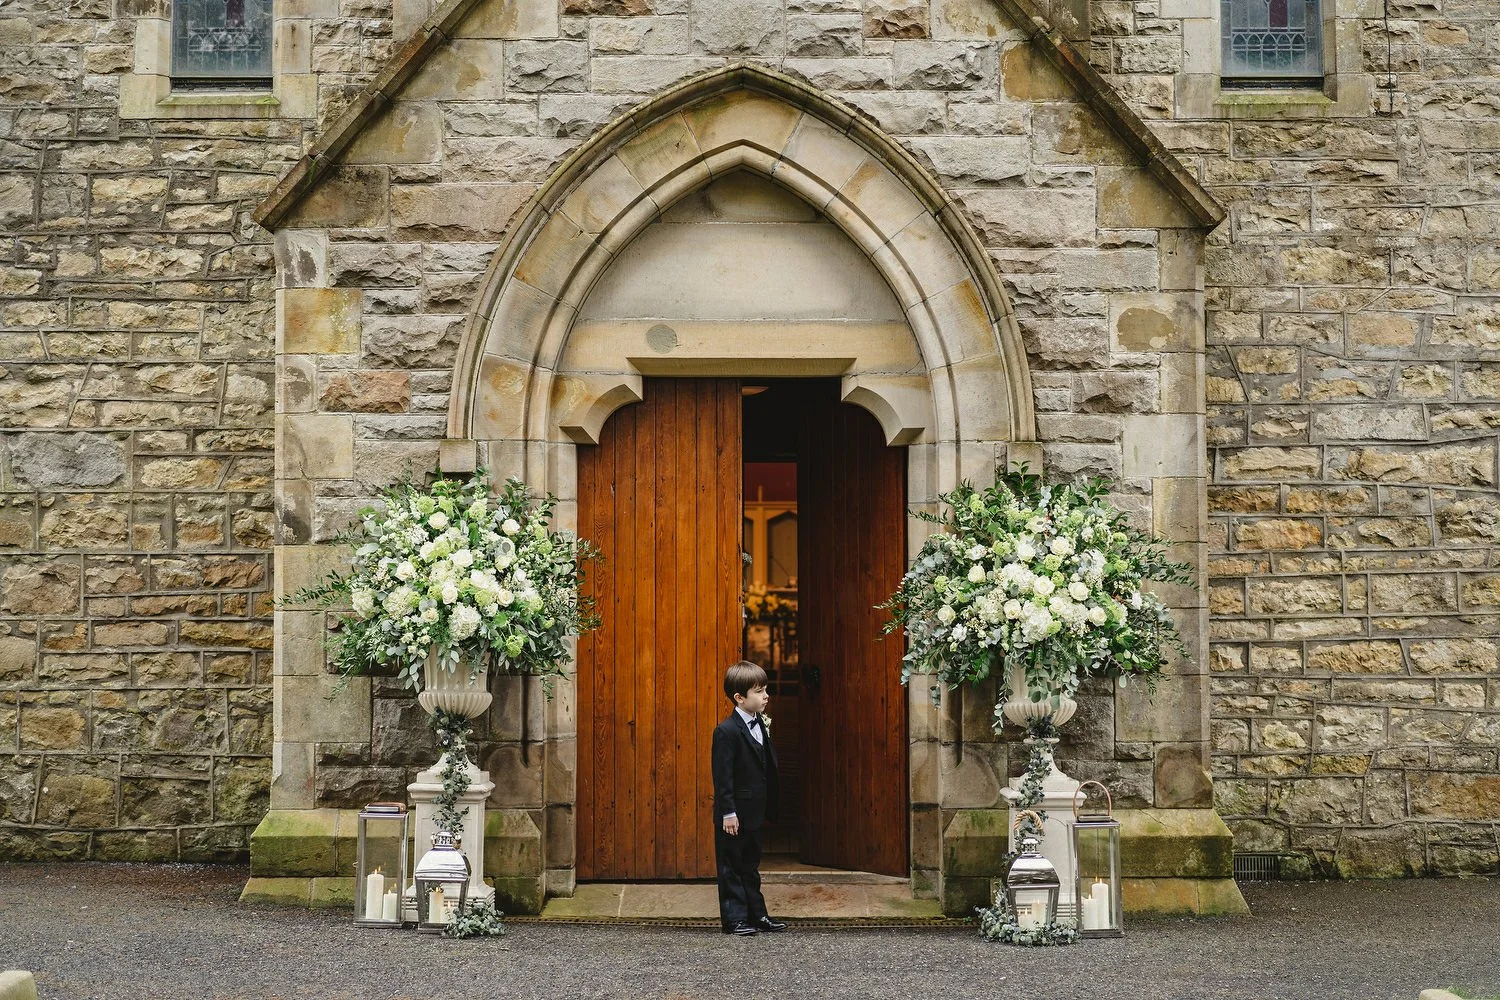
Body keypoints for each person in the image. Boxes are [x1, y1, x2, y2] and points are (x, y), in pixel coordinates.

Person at [711, 660, 788, 936]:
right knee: (731, 864)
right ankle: (734, 919)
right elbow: (723, 777)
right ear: (739, 698)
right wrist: (728, 812)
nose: (766, 696)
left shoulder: (759, 723)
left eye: (765, 690)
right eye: (759, 691)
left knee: (750, 865)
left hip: (755, 809)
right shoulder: (726, 731)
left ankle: (758, 915)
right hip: (735, 812)